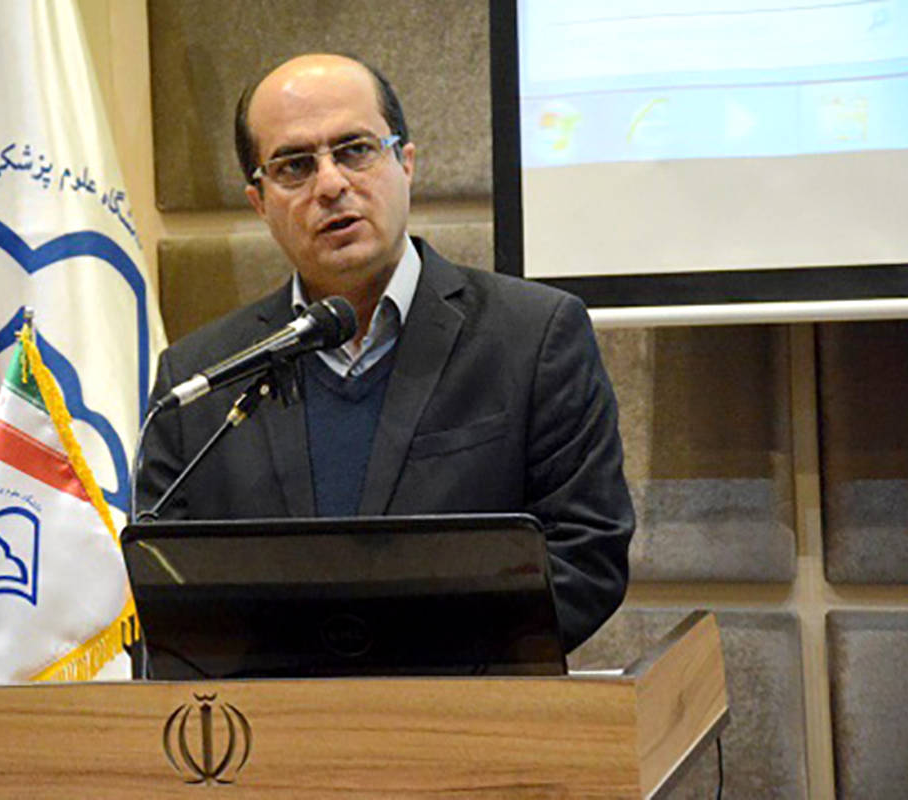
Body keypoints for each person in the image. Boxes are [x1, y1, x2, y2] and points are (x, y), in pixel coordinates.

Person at [137, 53, 634, 652]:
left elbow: (586, 555)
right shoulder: (199, 380)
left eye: (355, 150)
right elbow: (169, 590)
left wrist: (411, 670)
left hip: (468, 700)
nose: (330, 185)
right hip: (274, 708)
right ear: (259, 202)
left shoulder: (533, 336)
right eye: (295, 166)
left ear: (406, 163)